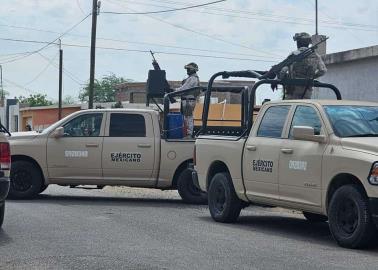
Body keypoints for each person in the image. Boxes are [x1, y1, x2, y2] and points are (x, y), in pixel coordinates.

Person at [279, 32, 327, 99]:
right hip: (307, 90)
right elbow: (323, 70)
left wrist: (281, 79)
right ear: (308, 43)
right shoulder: (316, 56)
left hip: (293, 90)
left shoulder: (293, 54)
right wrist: (312, 77)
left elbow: (283, 70)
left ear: (298, 43)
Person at [176, 62, 200, 136]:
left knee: (188, 117)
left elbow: (184, 89)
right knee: (186, 117)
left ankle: (189, 133)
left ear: (193, 69)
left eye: (188, 69)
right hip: (187, 100)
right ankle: (187, 133)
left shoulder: (193, 78)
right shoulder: (191, 78)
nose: (187, 71)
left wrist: (174, 91)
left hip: (188, 101)